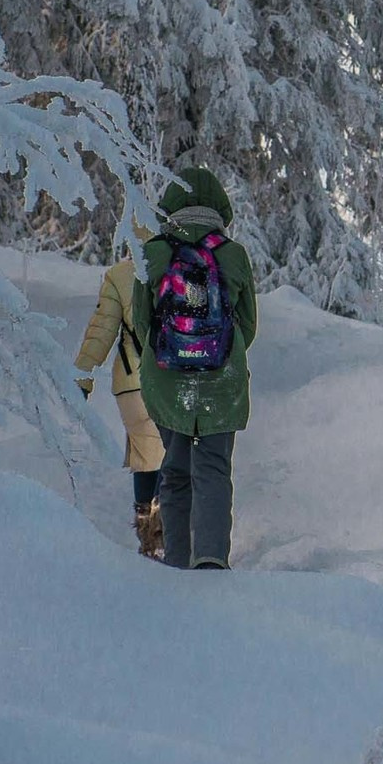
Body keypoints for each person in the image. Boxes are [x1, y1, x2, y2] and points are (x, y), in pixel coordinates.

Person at [133, 165, 257, 570]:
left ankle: (177, 562)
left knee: (175, 470)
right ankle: (210, 561)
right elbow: (248, 326)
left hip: (168, 381)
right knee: (214, 468)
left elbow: (141, 322)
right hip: (221, 382)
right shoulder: (234, 255)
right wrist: (215, 353)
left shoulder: (152, 253)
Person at [76, 228, 167, 559]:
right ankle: (166, 536)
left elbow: (100, 333)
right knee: (173, 458)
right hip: (172, 382)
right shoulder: (176, 267)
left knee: (146, 459)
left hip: (132, 384)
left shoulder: (119, 275)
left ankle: (148, 538)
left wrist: (82, 378)